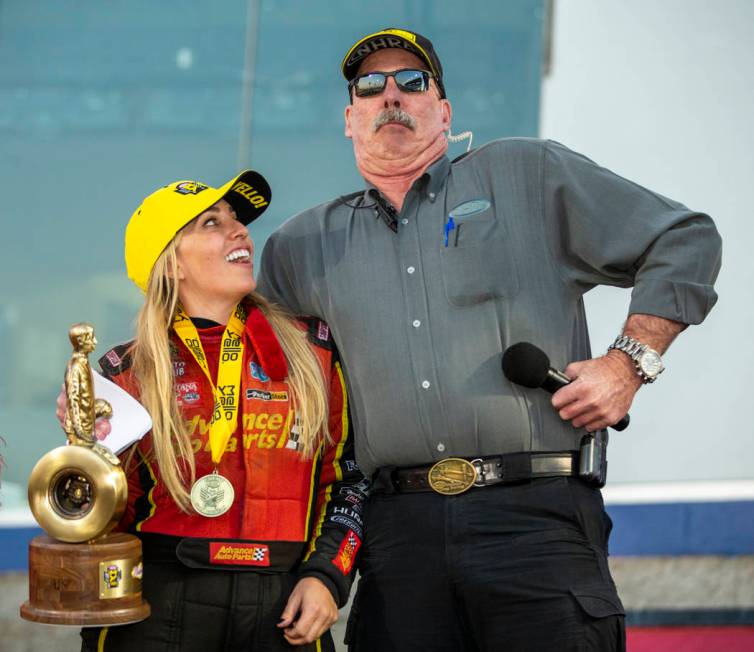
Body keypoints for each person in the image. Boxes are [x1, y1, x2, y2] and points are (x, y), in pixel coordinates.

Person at [256, 28, 722, 652]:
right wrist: (118, 398)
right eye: (370, 86)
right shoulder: (300, 248)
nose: (390, 95)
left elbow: (684, 238)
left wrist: (628, 363)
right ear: (350, 119)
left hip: (538, 521)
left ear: (443, 111)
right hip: (397, 538)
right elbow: (244, 364)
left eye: (412, 82)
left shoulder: (525, 175)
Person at [58, 171, 367, 651]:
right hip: (156, 601)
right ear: (172, 264)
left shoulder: (314, 351)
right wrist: (82, 454)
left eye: (236, 220)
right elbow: (99, 517)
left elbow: (349, 480)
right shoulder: (124, 373)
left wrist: (327, 576)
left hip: (284, 605)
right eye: (210, 223)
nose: (239, 230)